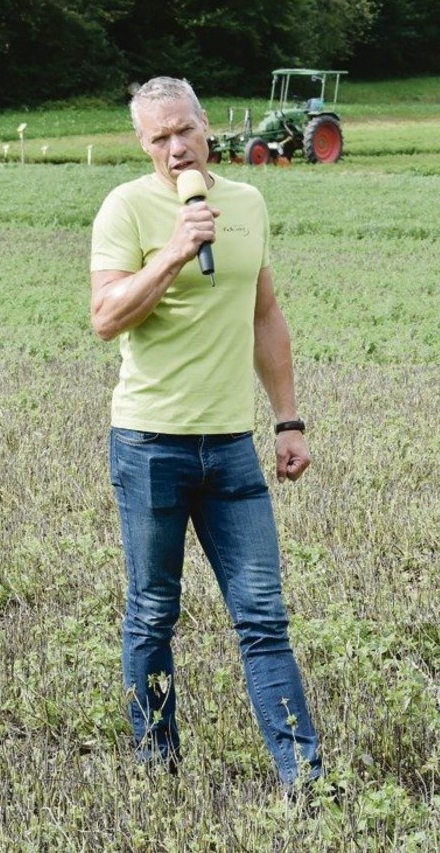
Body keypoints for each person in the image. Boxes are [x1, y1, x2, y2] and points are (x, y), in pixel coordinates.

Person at [89, 75, 322, 789]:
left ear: (206, 125)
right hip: (150, 444)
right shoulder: (125, 208)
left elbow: (265, 314)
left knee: (263, 619)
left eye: (184, 129)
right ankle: (158, 767)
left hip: (230, 449)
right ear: (142, 143)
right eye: (158, 137)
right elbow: (105, 317)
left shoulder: (247, 203)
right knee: (153, 616)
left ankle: (304, 781)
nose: (176, 146)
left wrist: (287, 419)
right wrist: (172, 254)